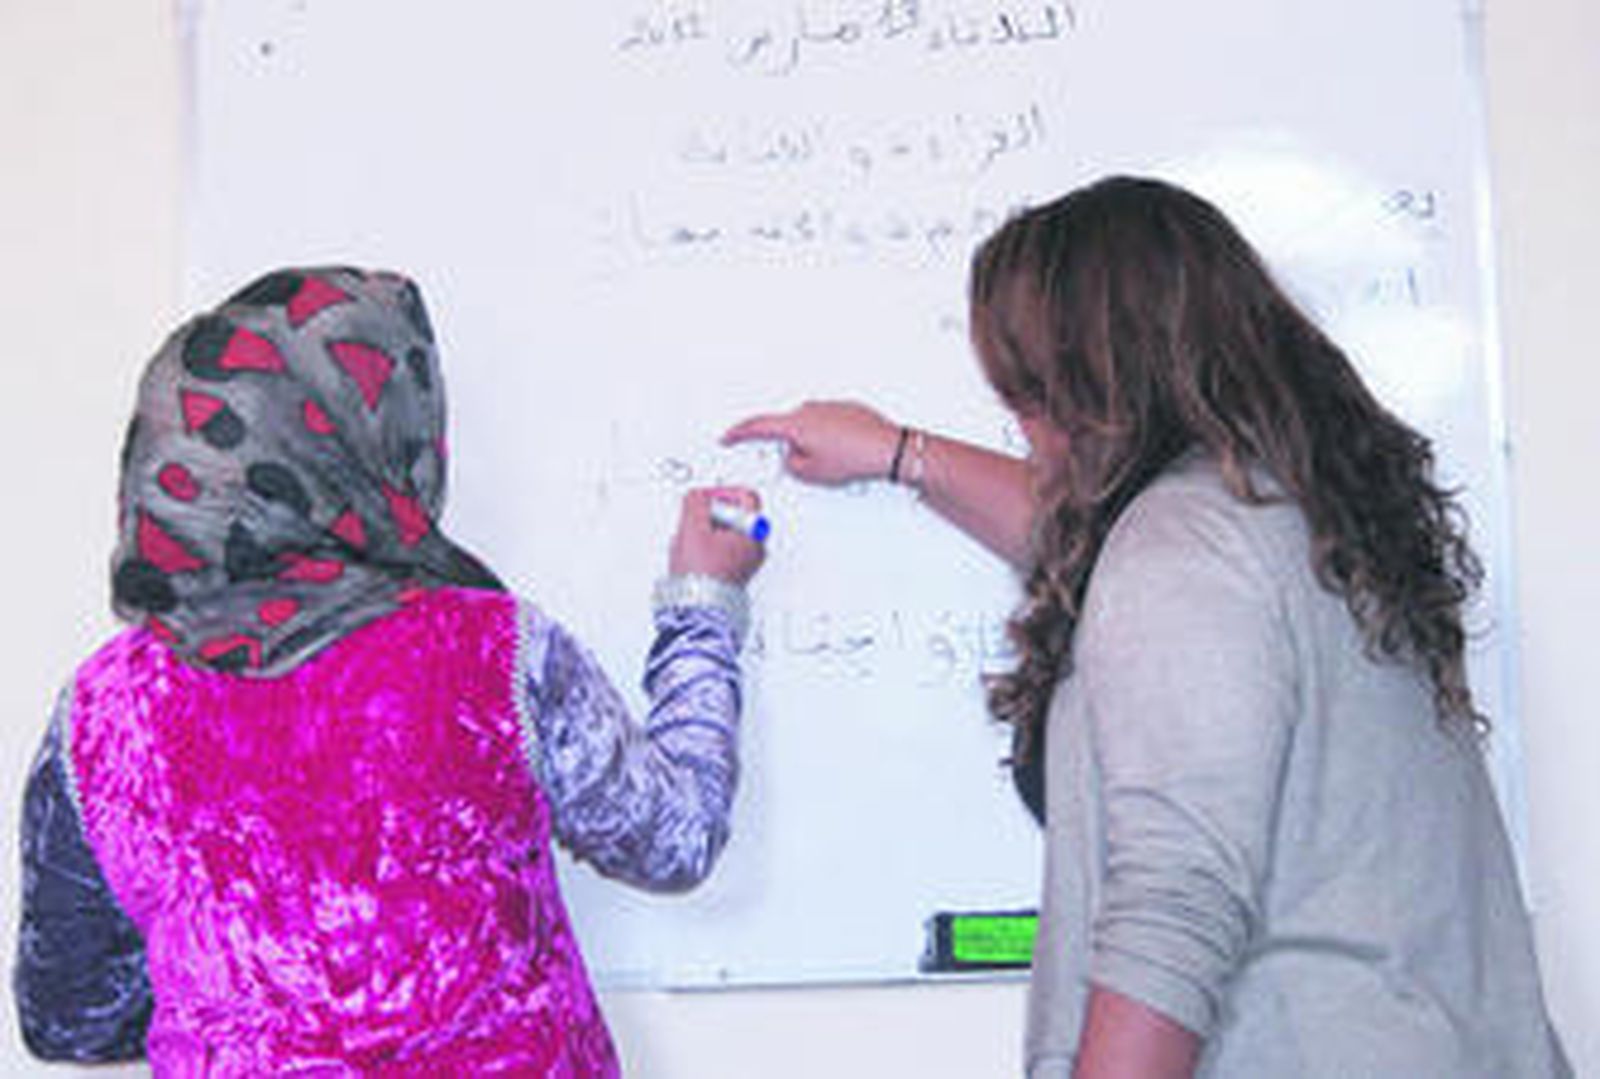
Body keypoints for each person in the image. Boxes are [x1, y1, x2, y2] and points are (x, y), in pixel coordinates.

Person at [726, 176, 1570, 1077]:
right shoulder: (1292, 516)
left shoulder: (1183, 553)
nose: (1020, 423)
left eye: (1031, 391)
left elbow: (1173, 910)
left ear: (1102, 382)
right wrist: (901, 455)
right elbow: (1093, 555)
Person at [13, 266, 765, 1075]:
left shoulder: (104, 714)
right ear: (377, 447)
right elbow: (675, 838)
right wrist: (705, 598)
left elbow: (70, 1018)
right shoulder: (491, 654)